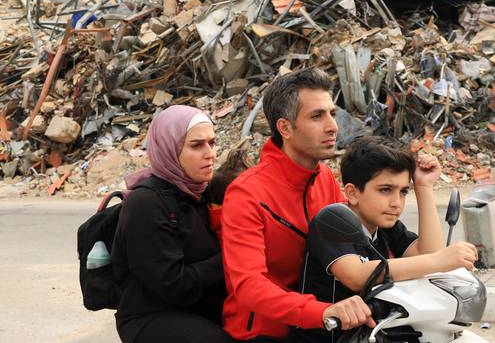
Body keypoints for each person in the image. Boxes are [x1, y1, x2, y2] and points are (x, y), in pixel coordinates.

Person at [221, 68, 375, 342]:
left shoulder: (324, 177)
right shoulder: (246, 193)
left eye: (332, 114)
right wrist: (322, 311)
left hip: (324, 325)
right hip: (267, 332)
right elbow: (249, 285)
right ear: (285, 128)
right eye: (317, 116)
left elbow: (358, 243)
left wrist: (421, 186)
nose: (333, 126)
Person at [291, 136, 479, 343]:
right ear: (352, 193)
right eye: (385, 190)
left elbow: (428, 253)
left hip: (374, 334)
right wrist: (440, 260)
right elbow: (356, 275)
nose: (396, 203)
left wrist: (423, 187)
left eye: (403, 192)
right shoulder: (332, 221)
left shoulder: (384, 225)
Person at [112, 105, 231, 343]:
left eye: (212, 142)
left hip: (201, 306)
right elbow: (175, 285)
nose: (210, 154)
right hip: (152, 316)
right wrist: (232, 256)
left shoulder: (204, 192)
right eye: (197, 145)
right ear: (169, 149)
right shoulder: (145, 204)